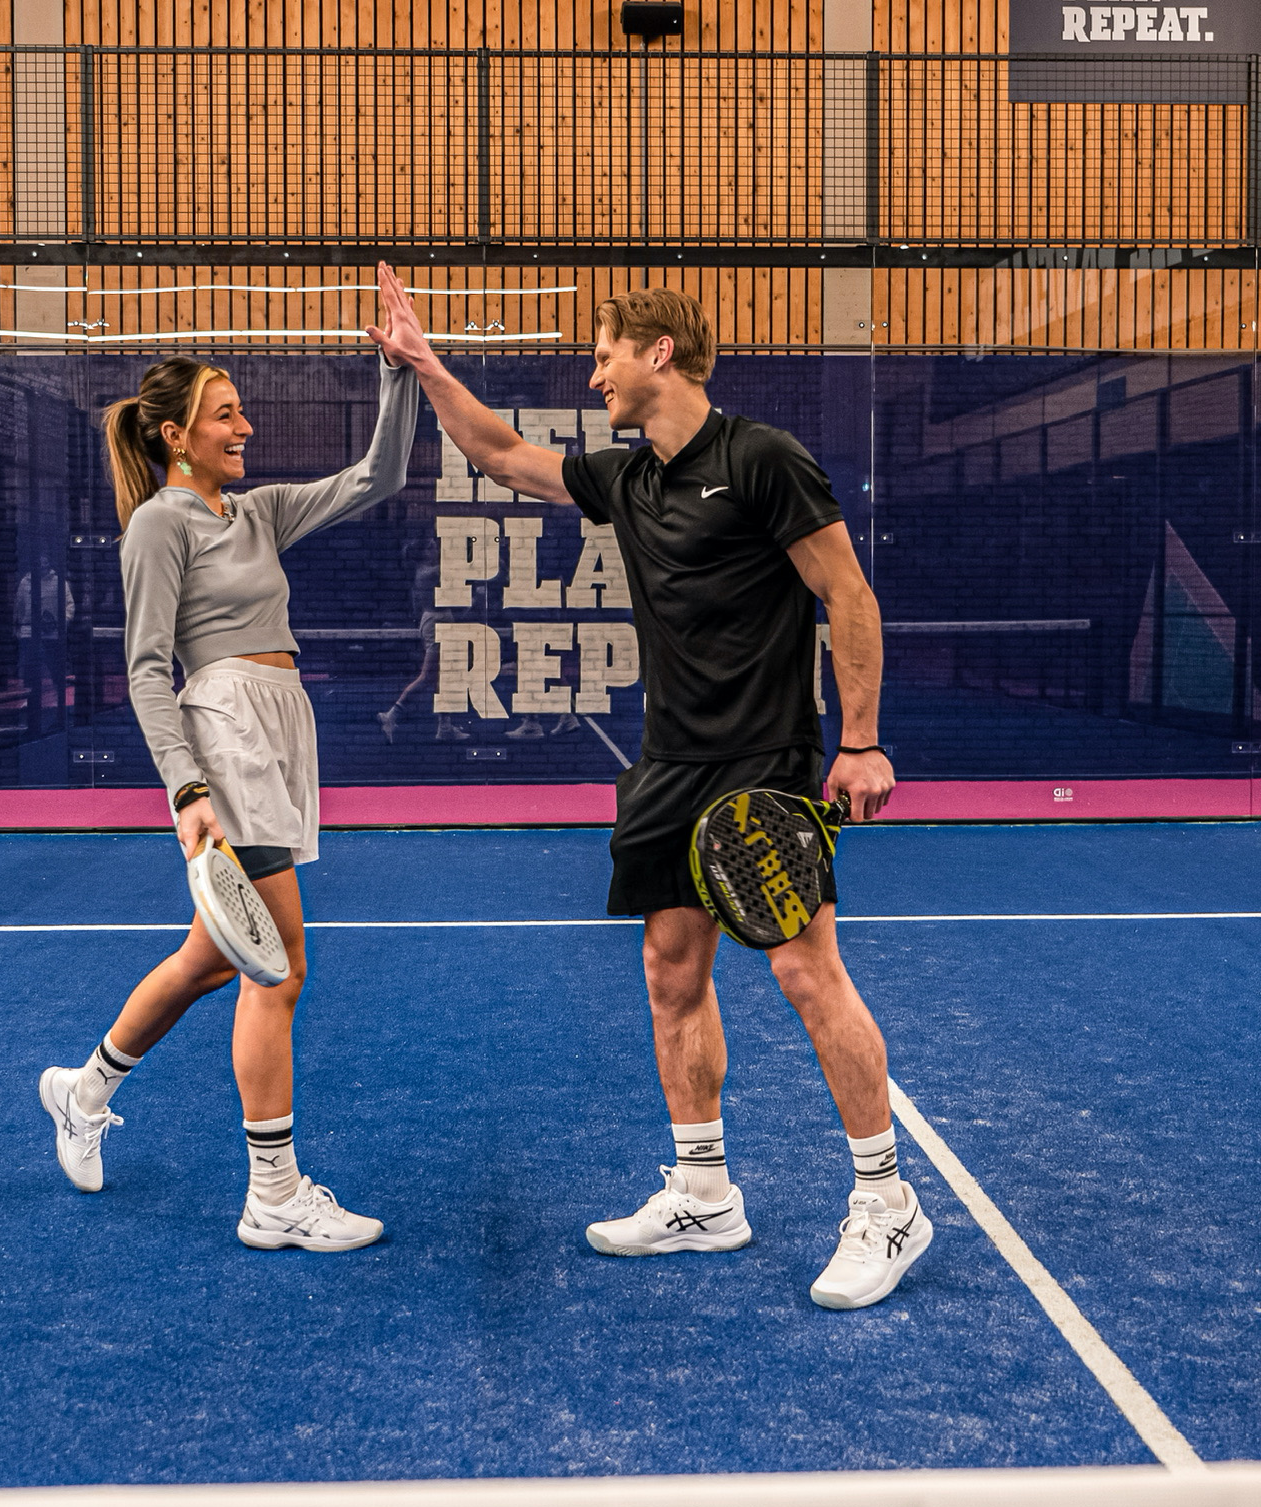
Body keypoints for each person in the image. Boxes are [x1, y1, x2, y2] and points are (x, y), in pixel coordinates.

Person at [368, 266, 929, 1310]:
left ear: (657, 353)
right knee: (672, 969)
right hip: (667, 766)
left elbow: (846, 589)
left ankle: (887, 1202)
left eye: (605, 354)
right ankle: (706, 1193)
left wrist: (861, 741)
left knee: (809, 975)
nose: (595, 374)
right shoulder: (631, 481)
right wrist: (426, 362)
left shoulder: (762, 459)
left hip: (764, 760)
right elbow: (497, 451)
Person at [38, 341, 418, 1251]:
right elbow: (144, 671)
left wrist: (399, 369)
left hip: (281, 725)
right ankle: (273, 1196)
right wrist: (187, 787)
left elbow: (382, 473)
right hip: (226, 730)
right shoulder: (159, 524)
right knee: (279, 967)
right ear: (176, 436)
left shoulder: (256, 511)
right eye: (225, 414)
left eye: (242, 411)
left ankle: (83, 1090)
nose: (245, 426)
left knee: (215, 958)